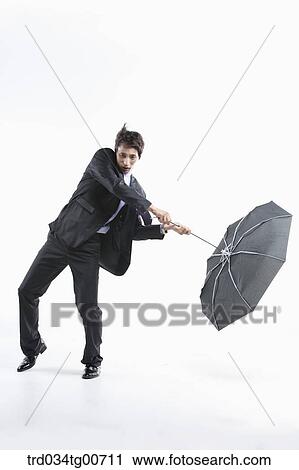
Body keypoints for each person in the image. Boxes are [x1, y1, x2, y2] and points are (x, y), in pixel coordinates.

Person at [17, 124, 191, 379]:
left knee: (88, 306)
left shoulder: (137, 192)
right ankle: (32, 348)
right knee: (27, 291)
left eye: (132, 157)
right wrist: (153, 207)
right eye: (123, 154)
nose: (126, 161)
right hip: (61, 237)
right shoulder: (102, 160)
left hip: (89, 248)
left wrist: (168, 229)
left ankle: (92, 359)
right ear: (116, 150)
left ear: (139, 157)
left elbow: (131, 231)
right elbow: (116, 187)